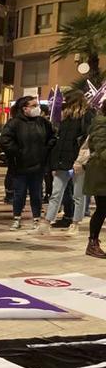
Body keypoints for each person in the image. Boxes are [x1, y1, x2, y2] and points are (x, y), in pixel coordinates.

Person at [40, 90, 93, 235]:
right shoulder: (66, 117)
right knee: (56, 193)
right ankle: (46, 222)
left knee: (78, 194)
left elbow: (87, 141)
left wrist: (81, 160)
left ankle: (75, 223)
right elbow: (60, 140)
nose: (64, 103)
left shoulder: (87, 116)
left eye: (67, 100)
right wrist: (55, 163)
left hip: (78, 161)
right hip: (62, 160)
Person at [0, 96, 55, 232]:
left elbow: (53, 137)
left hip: (38, 165)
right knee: (19, 193)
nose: (37, 108)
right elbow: (4, 141)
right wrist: (18, 152)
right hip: (20, 166)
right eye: (34, 105)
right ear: (25, 108)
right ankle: (17, 218)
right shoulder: (14, 123)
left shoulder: (42, 122)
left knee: (37, 193)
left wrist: (45, 150)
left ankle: (36, 218)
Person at [84, 102, 106, 258]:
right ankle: (92, 243)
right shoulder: (101, 125)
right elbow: (101, 148)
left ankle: (93, 242)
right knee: (102, 209)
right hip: (101, 173)